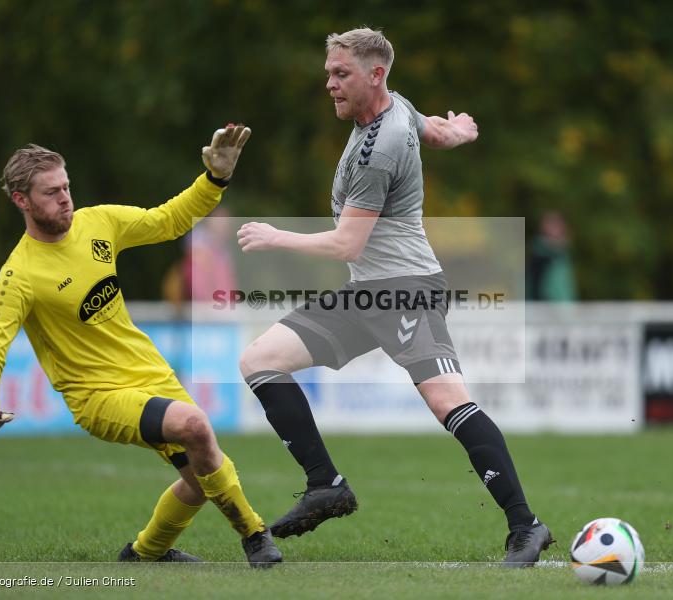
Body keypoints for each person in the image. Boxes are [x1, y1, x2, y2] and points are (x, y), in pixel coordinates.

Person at [236, 28, 553, 567]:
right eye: (329, 73)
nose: (331, 85)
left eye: (342, 75)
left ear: (375, 75)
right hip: (368, 293)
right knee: (260, 361)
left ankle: (526, 527)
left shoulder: (378, 150)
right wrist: (455, 132)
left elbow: (346, 243)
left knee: (446, 401)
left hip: (408, 291)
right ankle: (326, 484)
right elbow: (428, 129)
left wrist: (275, 236)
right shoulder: (395, 106)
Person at [0, 126, 282, 568]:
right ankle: (256, 536)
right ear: (22, 200)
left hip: (150, 373)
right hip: (98, 397)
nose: (65, 198)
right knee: (195, 426)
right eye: (51, 192)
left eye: (67, 187)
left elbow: (168, 220)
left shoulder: (98, 223)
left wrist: (214, 180)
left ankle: (144, 553)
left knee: (198, 478)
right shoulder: (19, 276)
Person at [526, 210, 577, 301]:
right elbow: (535, 284)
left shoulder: (562, 253)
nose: (555, 229)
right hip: (546, 304)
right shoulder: (540, 253)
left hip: (562, 305)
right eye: (552, 225)